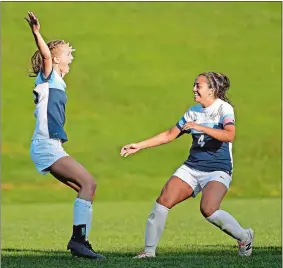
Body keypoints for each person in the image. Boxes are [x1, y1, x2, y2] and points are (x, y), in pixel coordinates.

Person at [120, 72, 254, 258]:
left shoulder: (224, 109)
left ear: (212, 90)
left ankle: (245, 237)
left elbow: (229, 135)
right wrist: (139, 146)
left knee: (208, 209)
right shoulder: (193, 111)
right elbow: (169, 134)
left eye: (198, 86)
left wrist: (200, 127)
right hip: (191, 168)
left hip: (217, 169)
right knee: (163, 200)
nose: (194, 89)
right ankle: (149, 252)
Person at [25, 11, 104, 259]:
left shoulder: (56, 80)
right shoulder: (49, 76)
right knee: (89, 183)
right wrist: (37, 33)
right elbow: (45, 55)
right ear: (56, 58)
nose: (72, 57)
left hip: (50, 145)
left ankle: (81, 241)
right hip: (46, 145)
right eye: (68, 54)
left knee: (87, 189)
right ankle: (78, 242)